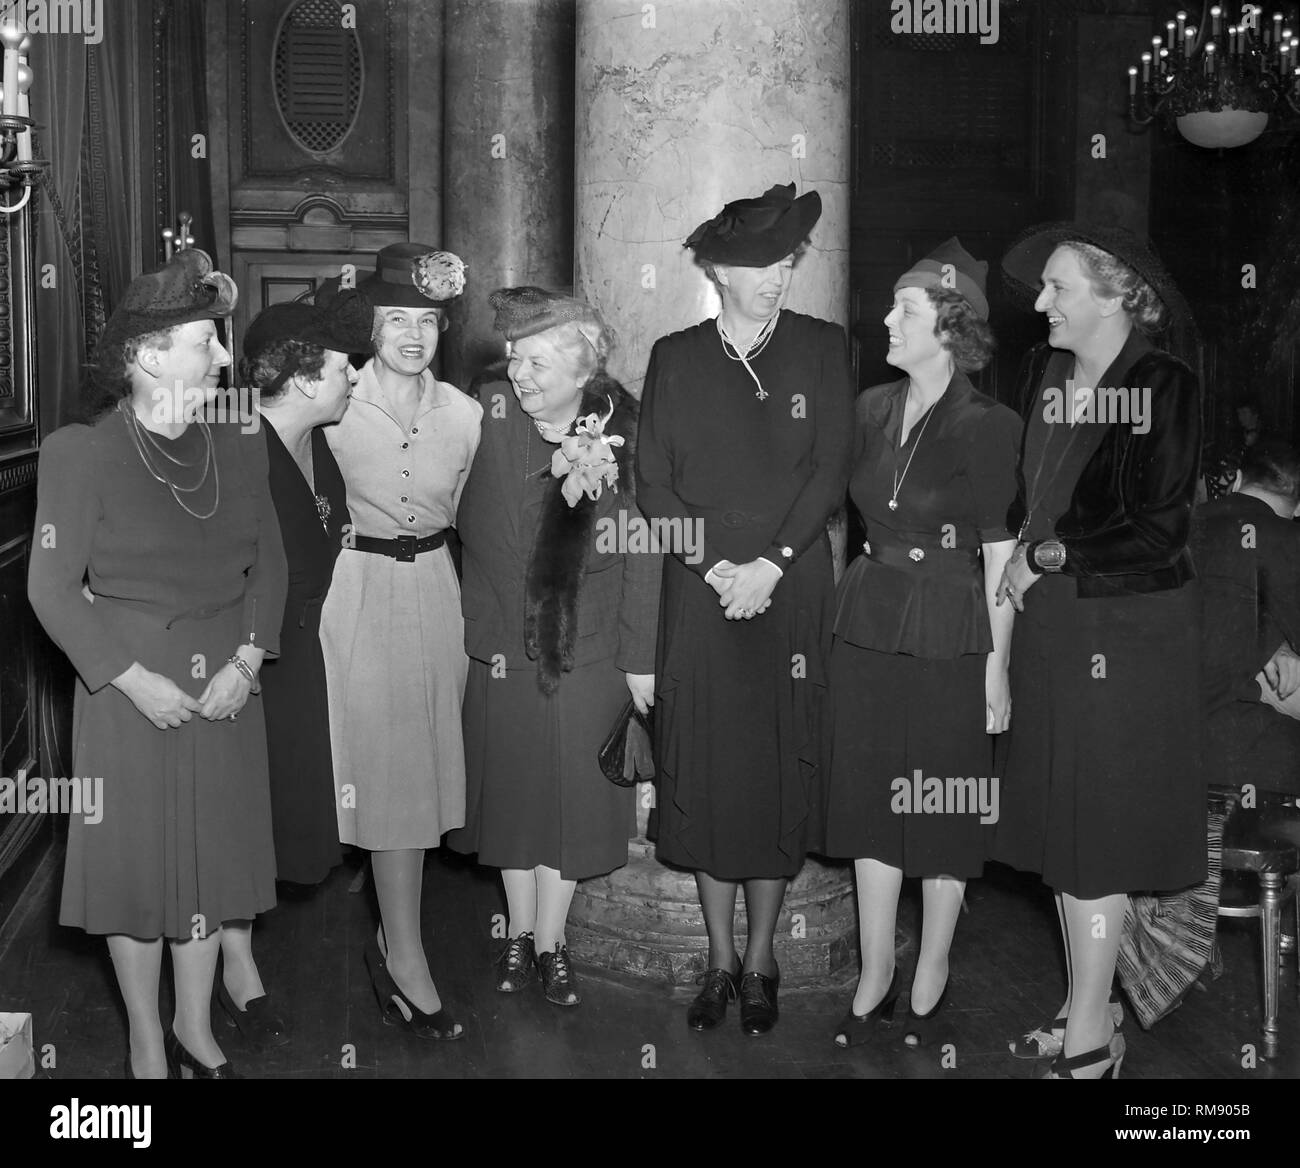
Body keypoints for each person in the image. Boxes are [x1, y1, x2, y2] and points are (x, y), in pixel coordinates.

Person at [28, 249, 287, 1078]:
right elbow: (51, 590)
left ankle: (194, 1026)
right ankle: (146, 1039)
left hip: (225, 688)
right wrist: (134, 680)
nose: (223, 356)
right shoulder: (80, 453)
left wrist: (247, 662)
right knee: (137, 877)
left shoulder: (240, 441)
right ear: (146, 357)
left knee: (213, 865)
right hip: (129, 690)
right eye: (206, 341)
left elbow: (272, 568)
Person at [636, 183, 854, 1036]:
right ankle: (718, 961)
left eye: (789, 262)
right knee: (709, 772)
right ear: (721, 269)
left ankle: (762, 960)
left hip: (789, 583)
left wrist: (768, 562)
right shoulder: (674, 356)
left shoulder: (822, 347)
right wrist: (710, 560)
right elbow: (653, 479)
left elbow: (829, 468)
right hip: (700, 590)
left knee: (776, 766)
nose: (779, 277)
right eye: (764, 264)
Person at [992, 223, 1203, 1079]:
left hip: (1126, 634)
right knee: (1065, 834)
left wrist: (1048, 557)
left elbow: (1159, 532)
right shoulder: (1047, 377)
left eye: (1059, 288)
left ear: (1117, 294)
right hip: (1053, 629)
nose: (1041, 303)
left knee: (1098, 840)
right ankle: (1094, 1006)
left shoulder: (1161, 382)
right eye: (1042, 287)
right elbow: (1026, 504)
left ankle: (1088, 1036)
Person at [822, 241, 1020, 1047]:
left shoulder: (991, 423)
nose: (886, 321)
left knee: (940, 800)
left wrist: (998, 670)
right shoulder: (869, 407)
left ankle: (933, 960)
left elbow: (1002, 551)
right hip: (867, 616)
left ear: (950, 326)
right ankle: (876, 968)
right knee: (870, 795)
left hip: (950, 621)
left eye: (904, 310)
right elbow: (835, 511)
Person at [448, 287, 660, 1006]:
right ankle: (516, 931)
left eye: (538, 361)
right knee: (513, 796)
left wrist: (640, 658)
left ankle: (551, 940)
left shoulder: (625, 429)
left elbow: (643, 553)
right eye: (514, 357)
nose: (521, 373)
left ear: (583, 370)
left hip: (590, 647)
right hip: (503, 642)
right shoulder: (486, 416)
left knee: (568, 801)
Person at [318, 243, 481, 1039]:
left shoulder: (469, 413)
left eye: (427, 321)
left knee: (420, 771)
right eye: (396, 319)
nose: (413, 335)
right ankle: (405, 956)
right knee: (384, 775)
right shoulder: (335, 403)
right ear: (370, 325)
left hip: (438, 597)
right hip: (359, 592)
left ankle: (394, 933)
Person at [1118, 440, 1300, 1027]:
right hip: (1230, 754)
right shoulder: (1284, 538)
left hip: (1146, 748)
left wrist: (1271, 641)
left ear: (1237, 477)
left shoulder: (1180, 526)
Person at [240, 297, 370, 888]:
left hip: (305, 655)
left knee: (285, 813)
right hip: (254, 663)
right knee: (242, 816)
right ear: (302, 379)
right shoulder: (238, 449)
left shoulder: (318, 444)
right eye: (344, 366)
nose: (354, 376)